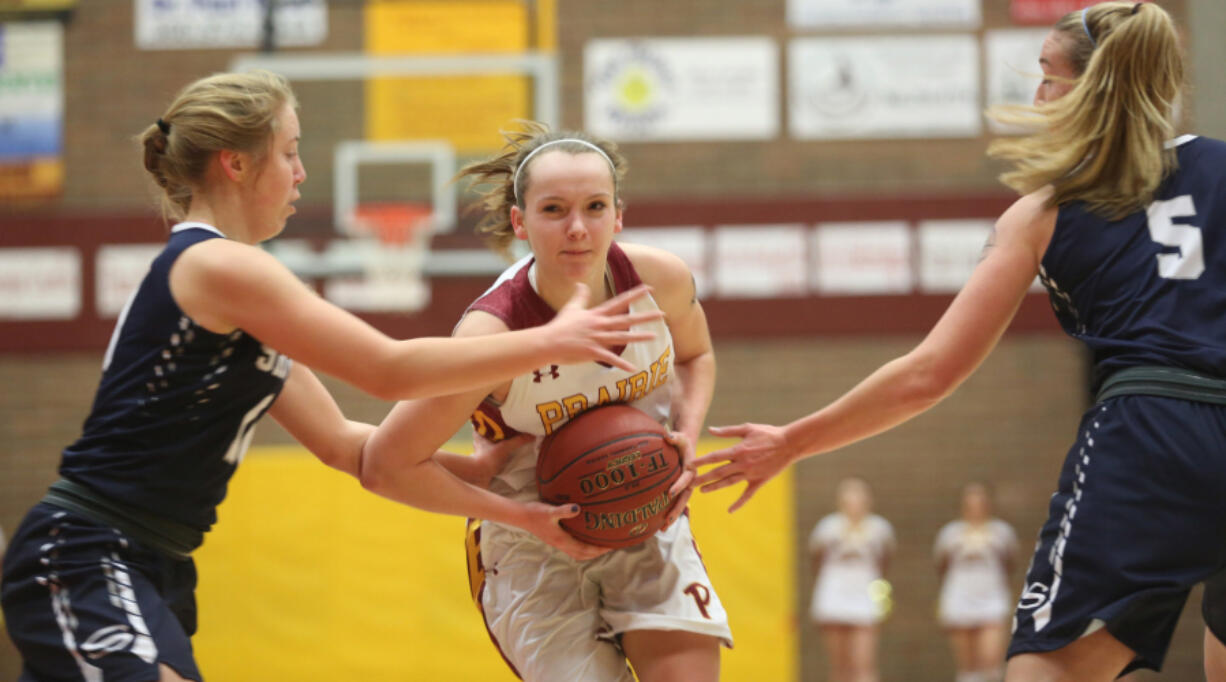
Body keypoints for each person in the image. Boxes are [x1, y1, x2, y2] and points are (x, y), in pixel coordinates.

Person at [0, 72, 661, 682]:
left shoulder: (234, 294)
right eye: (289, 153)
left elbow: (353, 450)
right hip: (87, 551)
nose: (300, 173)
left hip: (152, 564)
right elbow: (387, 369)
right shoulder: (218, 265)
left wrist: (500, 498)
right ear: (235, 163)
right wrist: (545, 339)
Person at [695, 0, 1226, 681]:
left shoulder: (1043, 211)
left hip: (1151, 431)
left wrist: (795, 440)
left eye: (1047, 76)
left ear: (1089, 90)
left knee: (1050, 670)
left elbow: (929, 373)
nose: (1037, 94)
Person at [359, 123, 733, 682]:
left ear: (618, 215)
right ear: (520, 221)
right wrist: (523, 517)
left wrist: (686, 430)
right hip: (529, 533)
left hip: (638, 508)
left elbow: (696, 355)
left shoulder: (660, 280)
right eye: (554, 209)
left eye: (595, 207)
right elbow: (386, 465)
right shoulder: (491, 335)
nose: (578, 228)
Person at [808, 477, 894, 682]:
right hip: (834, 592)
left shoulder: (880, 528)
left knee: (864, 663)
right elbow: (816, 560)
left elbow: (885, 560)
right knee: (839, 665)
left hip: (864, 594)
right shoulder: (827, 527)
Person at [934, 482, 1019, 682]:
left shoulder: (1002, 532)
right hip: (960, 597)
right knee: (968, 666)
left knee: (991, 661)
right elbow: (942, 566)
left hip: (991, 599)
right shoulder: (950, 534)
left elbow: (1009, 564)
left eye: (980, 500)